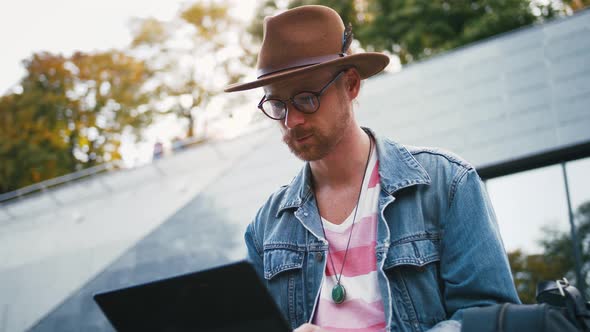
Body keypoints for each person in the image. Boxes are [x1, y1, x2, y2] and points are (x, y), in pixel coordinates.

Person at [224, 5, 520, 332]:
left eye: (306, 98)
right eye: (277, 104)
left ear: (351, 85)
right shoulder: (266, 227)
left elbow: (492, 320)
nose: (291, 120)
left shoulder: (446, 184)